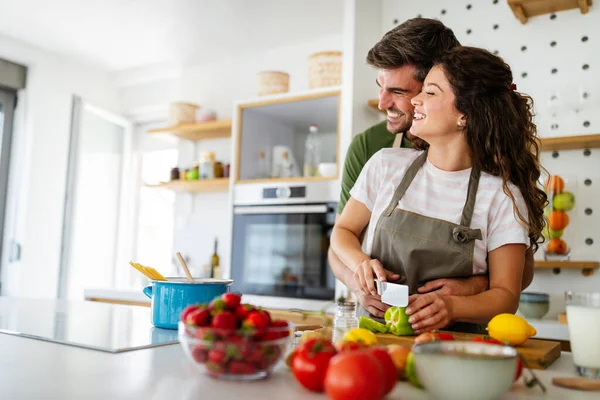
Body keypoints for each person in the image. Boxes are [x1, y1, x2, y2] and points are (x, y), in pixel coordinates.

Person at [331, 45, 547, 334]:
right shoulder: (385, 165)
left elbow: (506, 296)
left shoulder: (501, 195)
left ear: (466, 115)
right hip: (373, 339)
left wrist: (453, 308)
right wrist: (360, 266)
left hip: (456, 348)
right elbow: (342, 232)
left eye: (430, 92)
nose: (415, 101)